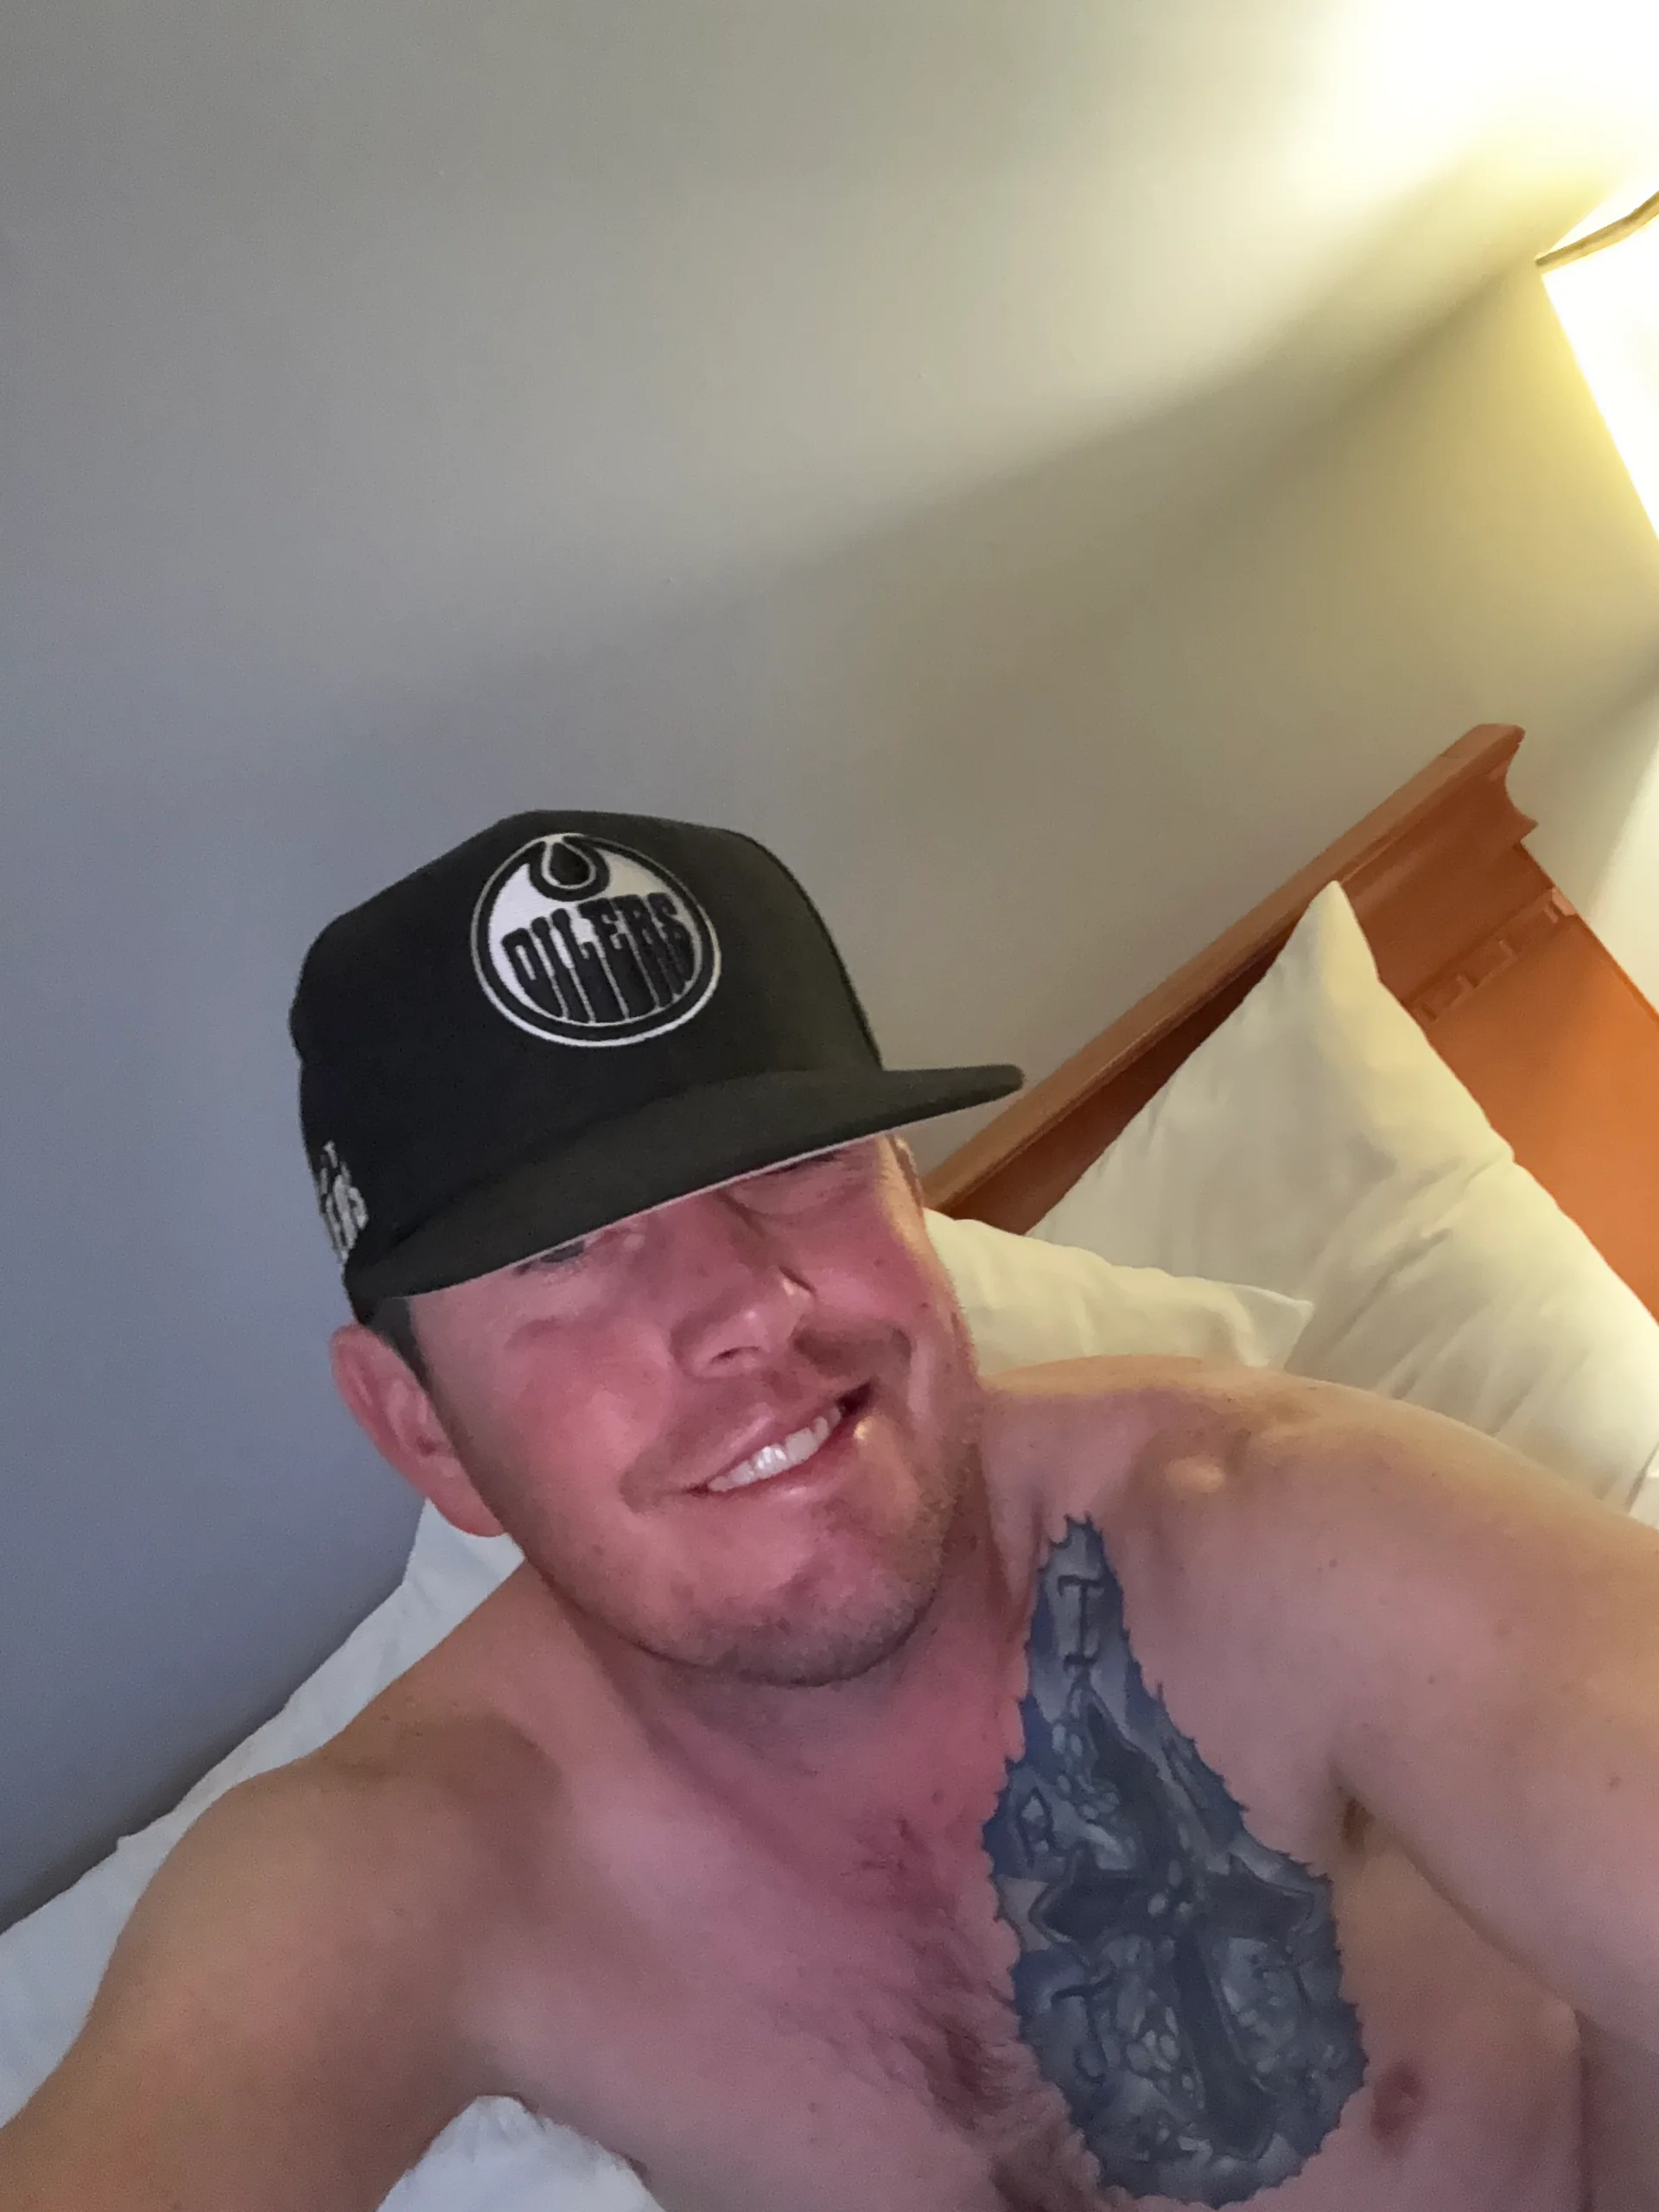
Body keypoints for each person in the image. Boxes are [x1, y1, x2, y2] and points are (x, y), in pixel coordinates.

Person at [3, 807, 1658, 2212]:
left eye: (795, 1162)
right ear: (419, 1427)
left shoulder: (1283, 1534)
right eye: (563, 1249)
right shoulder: (415, 1861)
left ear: (911, 1200)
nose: (746, 1303)